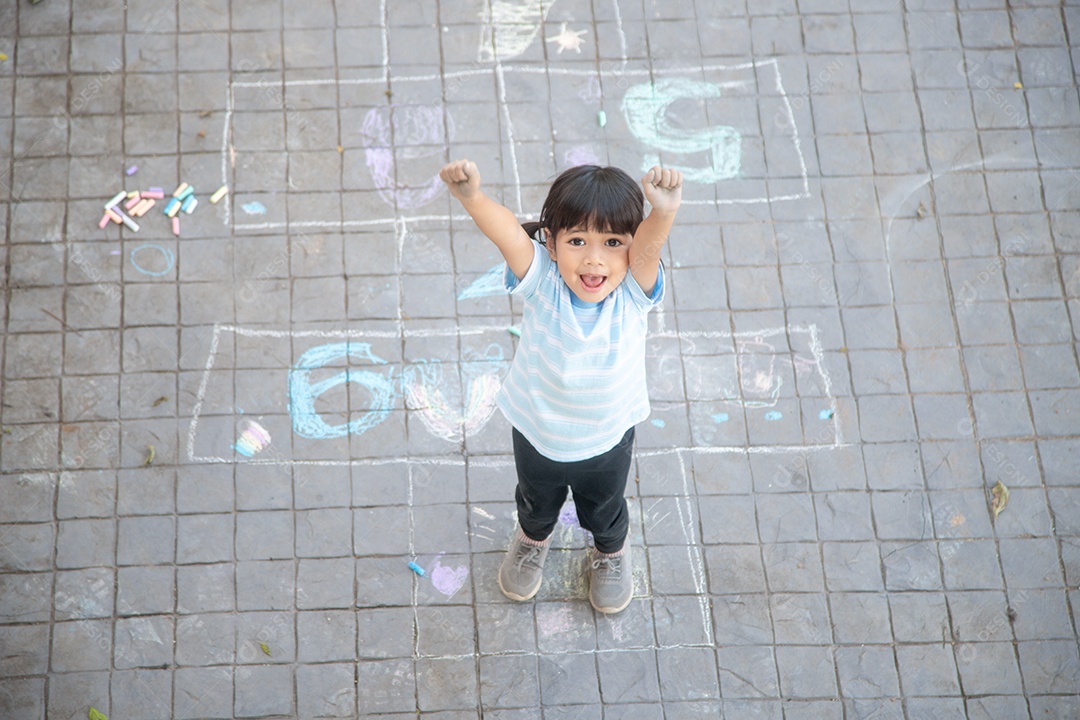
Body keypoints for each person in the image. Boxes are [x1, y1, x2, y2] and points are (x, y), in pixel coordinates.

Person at [439, 159, 683, 613]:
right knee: (535, 502)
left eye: (613, 243)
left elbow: (649, 244)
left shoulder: (632, 292)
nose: (594, 258)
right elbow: (509, 234)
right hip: (538, 433)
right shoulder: (542, 284)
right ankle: (532, 540)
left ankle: (610, 554)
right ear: (550, 244)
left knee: (605, 509)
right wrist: (472, 198)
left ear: (632, 251)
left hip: (607, 439)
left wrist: (663, 212)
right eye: (577, 241)